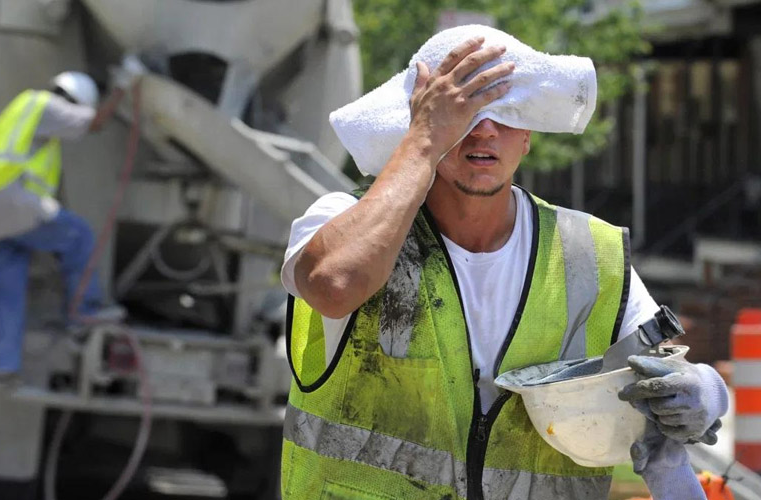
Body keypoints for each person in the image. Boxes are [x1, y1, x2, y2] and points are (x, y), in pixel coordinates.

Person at [279, 26, 729, 500]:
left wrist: (704, 391)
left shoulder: (587, 251)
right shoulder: (342, 220)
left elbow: (662, 386)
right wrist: (424, 141)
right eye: (464, 110)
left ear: (529, 136)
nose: (486, 128)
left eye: (508, 110)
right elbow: (334, 285)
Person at [0, 57, 145, 381]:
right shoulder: (45, 104)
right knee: (78, 235)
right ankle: (83, 313)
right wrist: (122, 87)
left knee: (8, 285)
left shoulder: (22, 113)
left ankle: (4, 365)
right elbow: (96, 123)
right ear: (73, 101)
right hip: (11, 201)